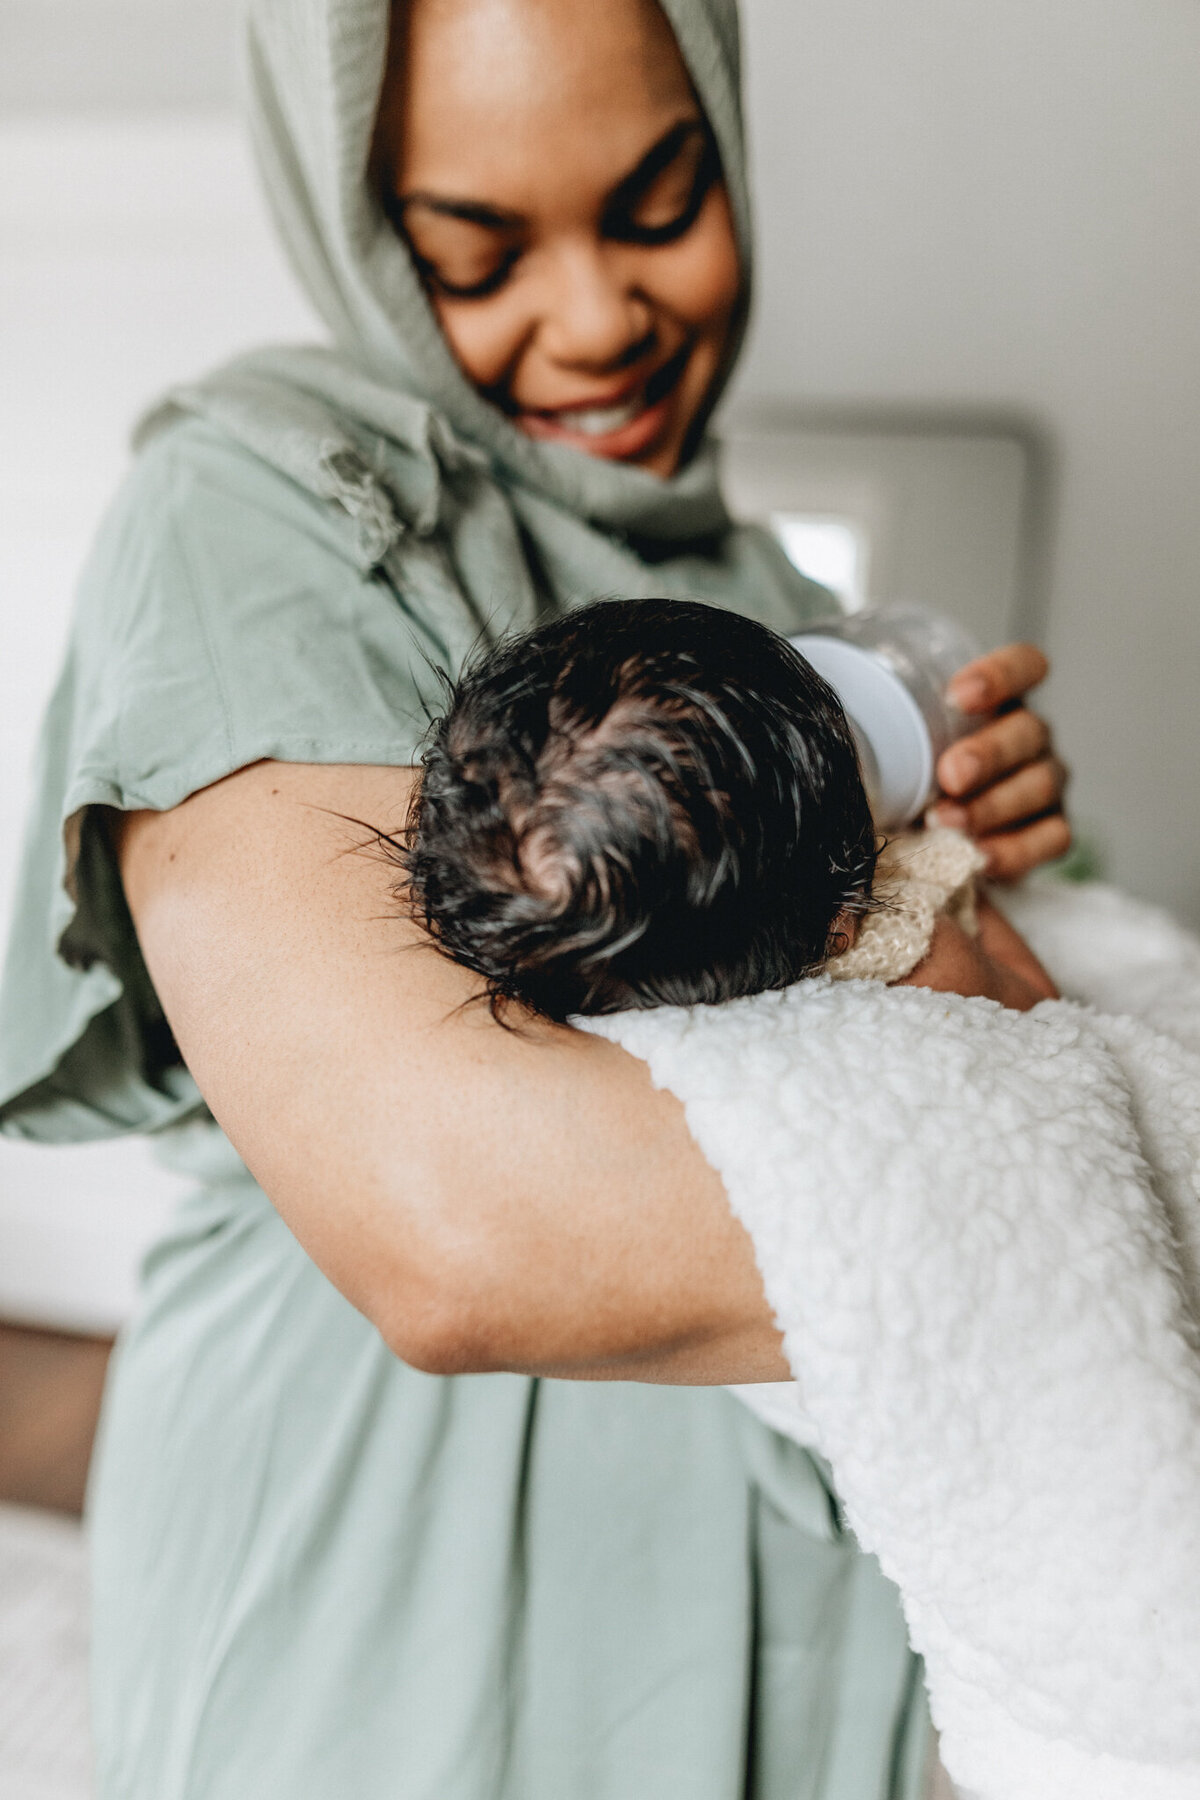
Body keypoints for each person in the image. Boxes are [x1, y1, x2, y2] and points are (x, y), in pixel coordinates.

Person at [0, 1, 1069, 1795]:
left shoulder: (771, 591)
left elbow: (1039, 1005)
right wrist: (973, 1028)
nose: (595, 321)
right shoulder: (259, 511)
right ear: (358, 223)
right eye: (476, 254)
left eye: (657, 207)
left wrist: (989, 843)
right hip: (398, 1668)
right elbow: (458, 1230)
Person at [401, 595, 1055, 1019]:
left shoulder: (552, 959)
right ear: (842, 924)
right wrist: (966, 885)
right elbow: (1043, 1009)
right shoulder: (922, 957)